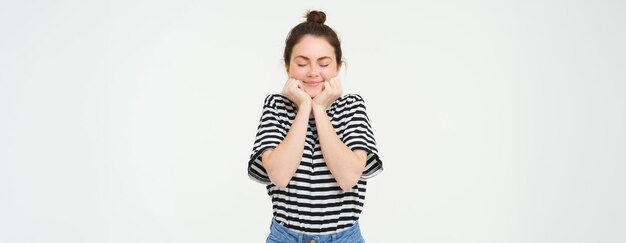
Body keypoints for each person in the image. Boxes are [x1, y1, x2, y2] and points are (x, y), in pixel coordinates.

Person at [248, 10, 383, 243]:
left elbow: (348, 177)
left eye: (323, 63)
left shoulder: (352, 106)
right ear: (288, 68)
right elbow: (279, 176)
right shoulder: (275, 106)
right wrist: (303, 108)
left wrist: (319, 109)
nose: (312, 72)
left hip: (344, 237)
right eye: (302, 63)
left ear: (338, 67)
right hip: (285, 237)